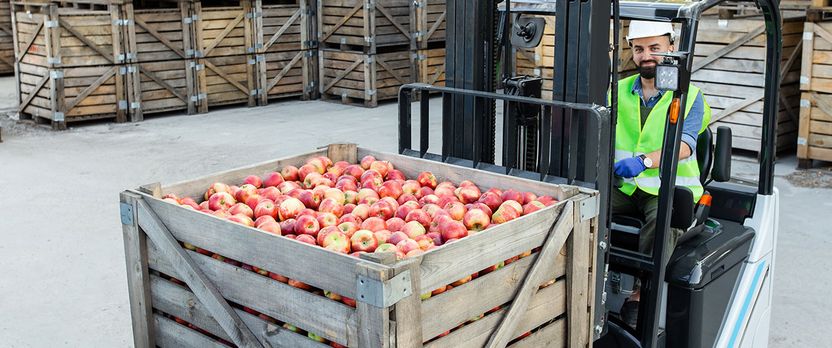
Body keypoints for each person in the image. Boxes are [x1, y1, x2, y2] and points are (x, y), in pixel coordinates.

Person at [612, 20, 712, 327]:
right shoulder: (617, 91)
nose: (647, 56)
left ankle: (643, 294)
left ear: (671, 47)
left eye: (655, 47)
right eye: (639, 49)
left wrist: (644, 161)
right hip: (625, 186)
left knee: (663, 217)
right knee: (582, 204)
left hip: (667, 188)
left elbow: (684, 145)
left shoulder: (689, 96)